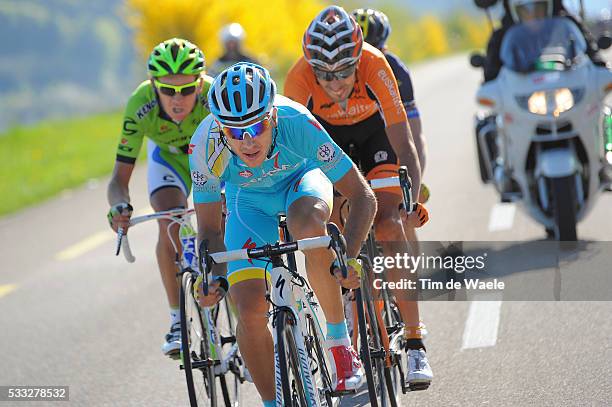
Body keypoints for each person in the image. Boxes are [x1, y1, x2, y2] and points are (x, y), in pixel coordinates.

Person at [190, 62, 377, 406]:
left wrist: (348, 257)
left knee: (306, 227)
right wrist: (212, 279)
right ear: (219, 127)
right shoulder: (204, 146)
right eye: (234, 132)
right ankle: (272, 403)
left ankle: (339, 345)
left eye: (257, 126)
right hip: (248, 203)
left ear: (273, 116)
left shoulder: (296, 122)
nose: (247, 141)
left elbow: (363, 196)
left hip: (300, 183)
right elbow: (210, 232)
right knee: (248, 311)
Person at [285, 5, 433, 389]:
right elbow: (294, 158)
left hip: (374, 139)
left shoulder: (375, 64)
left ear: (358, 59)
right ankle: (347, 314)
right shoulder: (297, 78)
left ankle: (415, 340)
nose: (335, 84)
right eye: (325, 74)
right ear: (310, 65)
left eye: (344, 71)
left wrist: (409, 201)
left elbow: (405, 144)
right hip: (327, 144)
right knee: (331, 235)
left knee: (387, 224)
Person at [107, 38, 213, 357]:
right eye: (167, 90)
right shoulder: (139, 104)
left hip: (211, 155)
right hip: (168, 159)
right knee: (170, 222)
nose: (177, 99)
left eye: (186, 89)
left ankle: (244, 320)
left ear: (200, 83)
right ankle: (177, 320)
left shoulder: (214, 95)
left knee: (224, 225)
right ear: (154, 85)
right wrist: (118, 206)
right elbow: (118, 179)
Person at [352, 7, 430, 245]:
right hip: (352, 137)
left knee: (400, 218)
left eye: (375, 49)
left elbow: (413, 134)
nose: (369, 57)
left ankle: (410, 277)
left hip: (385, 137)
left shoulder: (396, 70)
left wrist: (413, 186)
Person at [483, 0, 607, 82]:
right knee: (491, 121)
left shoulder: (567, 23)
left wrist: (599, 64)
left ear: (548, 6)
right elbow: (491, 79)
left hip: (567, 86)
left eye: (538, 9)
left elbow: (590, 51)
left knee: (606, 117)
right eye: (526, 11)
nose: (533, 16)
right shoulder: (503, 34)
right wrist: (490, 80)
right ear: (515, 11)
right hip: (520, 93)